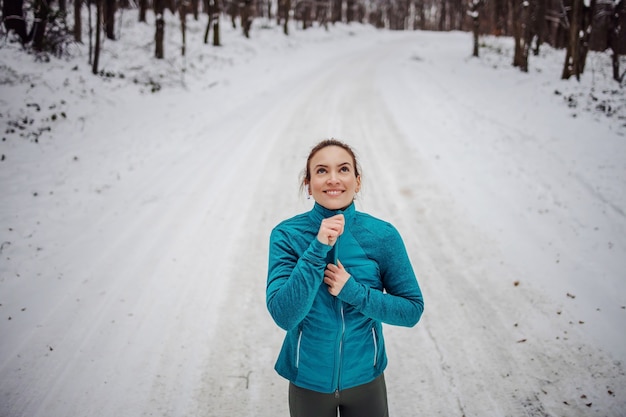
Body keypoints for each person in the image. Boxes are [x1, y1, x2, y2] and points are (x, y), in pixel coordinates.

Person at [266, 139, 424, 417]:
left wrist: (353, 291)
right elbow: (284, 315)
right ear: (308, 183)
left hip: (366, 380)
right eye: (322, 171)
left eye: (343, 169)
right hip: (308, 382)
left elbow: (411, 310)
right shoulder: (287, 235)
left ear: (357, 181)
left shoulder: (382, 236)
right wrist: (317, 248)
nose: (333, 179)